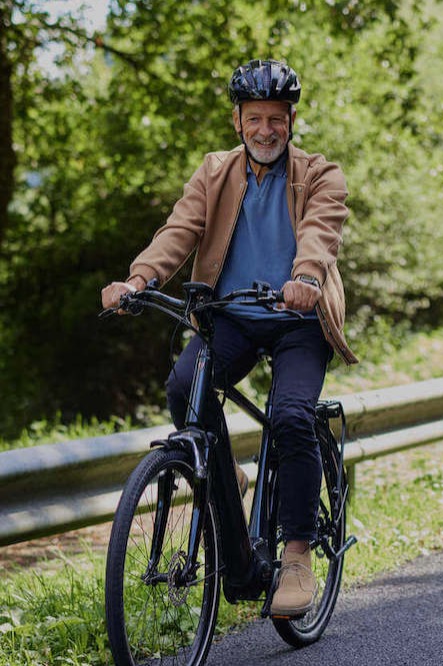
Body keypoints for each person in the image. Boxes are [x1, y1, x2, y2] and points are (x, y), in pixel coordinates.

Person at [101, 58, 357, 617]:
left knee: (290, 416)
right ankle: (224, 477)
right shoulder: (215, 170)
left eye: (277, 118)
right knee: (182, 387)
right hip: (232, 315)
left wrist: (307, 277)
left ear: (291, 120)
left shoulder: (319, 173)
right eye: (255, 118)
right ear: (237, 120)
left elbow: (322, 229)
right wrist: (137, 279)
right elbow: (181, 229)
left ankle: (295, 555)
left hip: (299, 320)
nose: (266, 130)